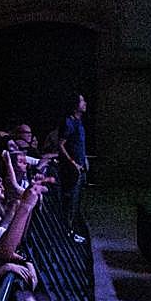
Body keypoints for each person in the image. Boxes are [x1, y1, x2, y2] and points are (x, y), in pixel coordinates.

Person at [58, 92, 89, 232]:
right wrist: (72, 162)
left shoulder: (79, 122)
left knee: (77, 202)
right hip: (72, 169)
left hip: (81, 167)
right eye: (82, 101)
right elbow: (61, 144)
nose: (85, 104)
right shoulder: (68, 122)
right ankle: (66, 230)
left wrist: (85, 159)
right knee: (70, 201)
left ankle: (73, 229)